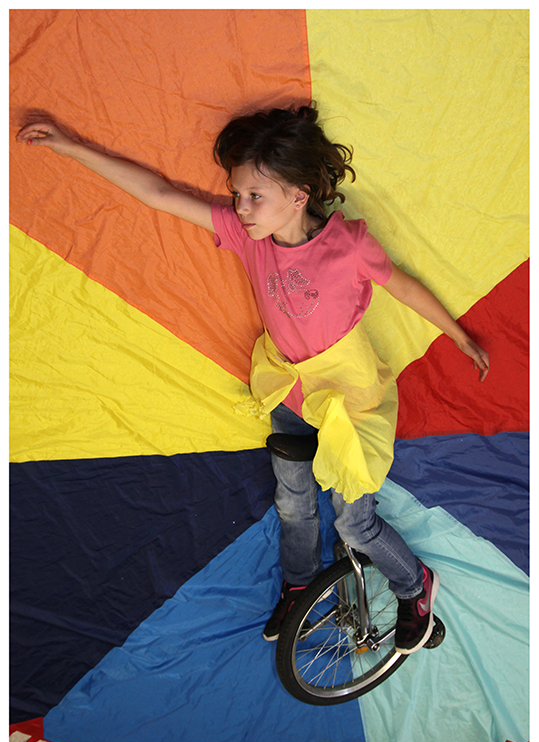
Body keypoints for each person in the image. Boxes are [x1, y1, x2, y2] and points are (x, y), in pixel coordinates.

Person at [17, 104, 489, 655]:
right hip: (289, 390)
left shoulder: (347, 245)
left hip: (348, 399)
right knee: (293, 504)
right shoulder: (250, 238)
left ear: (299, 195)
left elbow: (401, 286)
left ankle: (414, 584)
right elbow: (159, 193)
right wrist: (69, 144)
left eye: (254, 196)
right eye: (237, 193)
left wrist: (458, 335)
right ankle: (299, 588)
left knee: (354, 525)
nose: (241, 207)